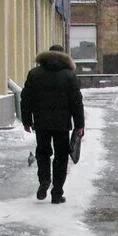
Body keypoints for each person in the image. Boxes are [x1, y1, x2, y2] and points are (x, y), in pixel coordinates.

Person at [20, 45, 84, 203]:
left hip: (41, 123)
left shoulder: (34, 74)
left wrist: (27, 120)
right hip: (62, 124)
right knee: (61, 157)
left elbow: (26, 99)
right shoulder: (69, 75)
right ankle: (57, 193)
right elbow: (77, 102)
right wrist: (79, 124)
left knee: (42, 153)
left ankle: (44, 181)